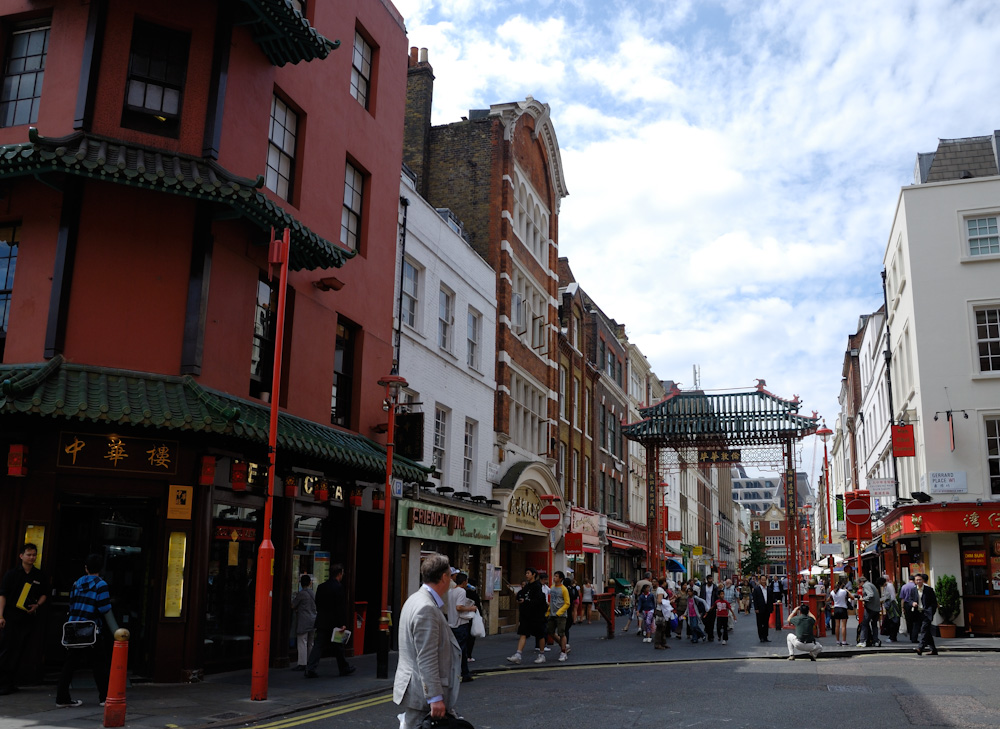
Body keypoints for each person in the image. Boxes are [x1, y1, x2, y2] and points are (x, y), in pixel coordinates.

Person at [393, 553, 463, 729]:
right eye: (450, 575)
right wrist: (435, 697)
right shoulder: (426, 607)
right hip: (423, 696)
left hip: (416, 690)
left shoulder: (415, 599)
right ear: (444, 577)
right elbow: (426, 656)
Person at [56, 553, 117, 708]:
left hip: (74, 627)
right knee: (99, 664)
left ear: (86, 568)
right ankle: (104, 697)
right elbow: (104, 608)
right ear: (100, 568)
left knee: (69, 664)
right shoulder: (101, 584)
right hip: (91, 630)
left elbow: (71, 605)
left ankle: (61, 698)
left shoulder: (77, 583)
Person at [0, 543, 48, 696]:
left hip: (27, 617)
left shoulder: (39, 575)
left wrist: (37, 605)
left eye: (34, 555)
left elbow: (45, 593)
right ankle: (2, 684)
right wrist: (0, 615)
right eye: (29, 554)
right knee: (6, 650)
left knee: (20, 650)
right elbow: (2, 595)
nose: (32, 557)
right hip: (10, 616)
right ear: (21, 556)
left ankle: (12, 682)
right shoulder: (12, 574)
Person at [305, 564, 355, 678]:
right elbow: (340, 607)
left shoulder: (321, 587)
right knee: (338, 646)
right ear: (339, 574)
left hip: (322, 621)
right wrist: (342, 623)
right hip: (335, 623)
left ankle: (310, 668)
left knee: (318, 646)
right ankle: (344, 668)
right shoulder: (339, 587)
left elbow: (317, 603)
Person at [507, 568, 546, 664]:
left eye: (528, 573)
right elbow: (521, 595)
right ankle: (518, 655)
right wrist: (519, 598)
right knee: (523, 633)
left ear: (534, 574)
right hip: (526, 615)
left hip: (536, 615)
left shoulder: (537, 586)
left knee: (540, 635)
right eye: (526, 573)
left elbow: (538, 600)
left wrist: (526, 601)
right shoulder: (527, 586)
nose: (526, 575)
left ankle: (541, 654)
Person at [447, 572, 476, 683]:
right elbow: (459, 607)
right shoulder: (461, 591)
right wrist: (471, 608)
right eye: (466, 581)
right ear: (464, 582)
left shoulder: (450, 591)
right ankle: (456, 674)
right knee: (460, 651)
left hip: (451, 623)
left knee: (460, 651)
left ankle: (465, 673)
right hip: (460, 624)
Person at [290, 574, 317, 670]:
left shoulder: (301, 594)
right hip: (313, 619)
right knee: (311, 642)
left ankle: (302, 663)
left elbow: (293, 605)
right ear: (310, 583)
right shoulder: (313, 593)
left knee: (302, 641)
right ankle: (310, 661)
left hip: (304, 620)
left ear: (301, 583)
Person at [545, 571, 571, 661]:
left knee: (561, 633)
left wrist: (559, 612)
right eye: (554, 576)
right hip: (552, 613)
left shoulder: (564, 589)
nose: (554, 578)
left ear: (561, 579)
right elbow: (551, 601)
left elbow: (567, 603)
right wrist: (548, 612)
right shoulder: (552, 588)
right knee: (550, 631)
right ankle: (563, 644)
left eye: (556, 576)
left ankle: (563, 652)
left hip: (561, 615)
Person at [912, 573, 938, 656]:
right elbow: (909, 600)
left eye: (920, 579)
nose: (919, 581)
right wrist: (912, 603)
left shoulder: (929, 590)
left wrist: (931, 611)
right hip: (918, 613)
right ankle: (933, 650)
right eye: (917, 580)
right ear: (915, 581)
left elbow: (934, 602)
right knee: (927, 631)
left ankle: (920, 648)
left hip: (927, 613)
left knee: (924, 629)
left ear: (923, 580)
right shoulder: (913, 590)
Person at [857, 576, 881, 647]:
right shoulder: (871, 584)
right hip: (876, 608)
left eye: (859, 583)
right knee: (874, 625)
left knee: (864, 624)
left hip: (870, 608)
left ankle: (862, 641)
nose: (859, 585)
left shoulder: (866, 585)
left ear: (861, 582)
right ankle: (875, 641)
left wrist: (863, 599)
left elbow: (871, 595)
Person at [463, 578, 482, 662]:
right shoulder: (474, 595)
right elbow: (478, 607)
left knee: (465, 637)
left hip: (464, 617)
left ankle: (464, 655)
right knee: (471, 638)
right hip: (472, 618)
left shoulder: (464, 593)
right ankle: (469, 655)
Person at [829, 578, 851, 646]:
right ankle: (844, 641)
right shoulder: (844, 592)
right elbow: (852, 597)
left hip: (836, 608)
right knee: (843, 626)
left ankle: (837, 641)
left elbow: (828, 599)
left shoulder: (832, 592)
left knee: (837, 626)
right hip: (843, 608)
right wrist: (847, 591)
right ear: (841, 585)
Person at [899, 575, 919, 643]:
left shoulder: (904, 586)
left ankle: (911, 635)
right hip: (914, 604)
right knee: (915, 621)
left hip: (907, 604)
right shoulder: (915, 586)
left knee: (909, 621)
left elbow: (902, 598)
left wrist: (902, 607)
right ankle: (914, 637)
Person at [879, 575, 899, 643]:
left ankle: (893, 637)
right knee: (890, 622)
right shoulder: (886, 586)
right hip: (889, 606)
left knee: (893, 622)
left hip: (892, 606)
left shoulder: (889, 586)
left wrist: (884, 601)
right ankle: (892, 636)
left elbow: (892, 596)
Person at [699, 574, 719, 642]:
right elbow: (701, 596)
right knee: (704, 619)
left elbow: (716, 597)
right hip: (705, 606)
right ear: (707, 580)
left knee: (712, 622)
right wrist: (701, 606)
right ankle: (707, 630)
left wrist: (715, 605)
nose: (711, 580)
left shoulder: (715, 587)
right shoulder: (704, 587)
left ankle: (711, 636)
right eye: (709, 579)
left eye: (711, 579)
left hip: (712, 607)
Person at [752, 578, 771, 642]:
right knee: (760, 623)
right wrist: (756, 608)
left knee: (766, 623)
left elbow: (771, 599)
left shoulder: (768, 589)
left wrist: (771, 608)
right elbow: (755, 600)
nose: (763, 581)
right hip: (759, 609)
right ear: (760, 581)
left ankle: (765, 636)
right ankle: (761, 637)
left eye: (765, 580)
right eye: (762, 580)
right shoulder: (756, 589)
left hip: (767, 608)